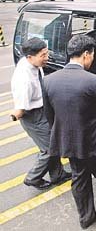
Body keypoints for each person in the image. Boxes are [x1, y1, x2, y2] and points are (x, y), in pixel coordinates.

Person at [42, 34, 96, 229]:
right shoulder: (93, 81)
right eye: (93, 55)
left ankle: (86, 218)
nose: (93, 59)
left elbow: (49, 116)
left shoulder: (48, 81)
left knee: (79, 179)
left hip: (70, 142)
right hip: (95, 141)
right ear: (86, 54)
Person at [10, 37, 71, 190]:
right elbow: (21, 108)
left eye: (46, 53)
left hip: (42, 110)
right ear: (30, 57)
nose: (47, 58)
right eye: (43, 55)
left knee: (52, 143)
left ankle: (57, 174)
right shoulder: (24, 79)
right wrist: (15, 114)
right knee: (49, 149)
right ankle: (33, 178)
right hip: (33, 116)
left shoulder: (31, 63)